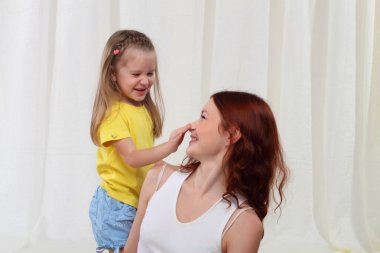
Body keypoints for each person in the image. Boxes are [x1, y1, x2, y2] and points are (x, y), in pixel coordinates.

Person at [123, 90, 289, 253]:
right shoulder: (158, 178)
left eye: (203, 117)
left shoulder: (243, 224)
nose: (191, 126)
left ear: (232, 134)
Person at [89, 30, 190, 253]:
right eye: (136, 74)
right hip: (116, 205)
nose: (145, 80)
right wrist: (169, 147)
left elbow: (147, 160)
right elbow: (133, 158)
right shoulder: (114, 115)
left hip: (136, 202)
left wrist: (178, 171)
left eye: (150, 73)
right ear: (113, 74)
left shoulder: (142, 110)